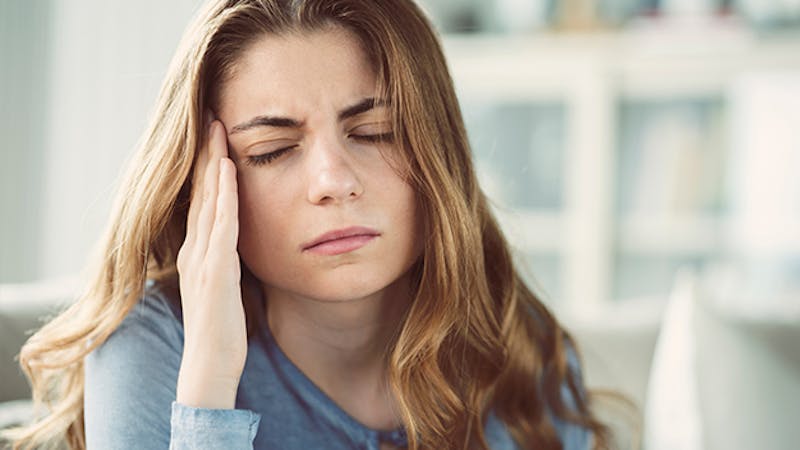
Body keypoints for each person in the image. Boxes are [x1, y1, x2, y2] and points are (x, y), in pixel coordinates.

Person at [6, 1, 610, 449]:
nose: (333, 181)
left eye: (376, 133)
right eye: (271, 149)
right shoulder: (152, 343)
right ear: (205, 184)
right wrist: (210, 385)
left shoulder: (516, 342)